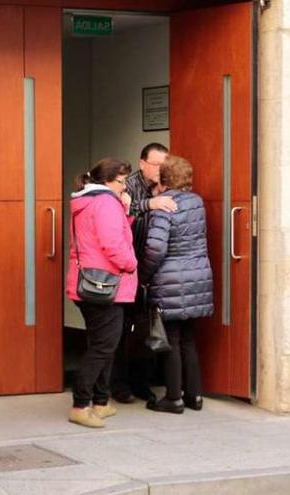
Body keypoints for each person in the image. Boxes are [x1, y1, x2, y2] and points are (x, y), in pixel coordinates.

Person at [65, 158, 138, 428]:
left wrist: (126, 211)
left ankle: (101, 401)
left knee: (102, 344)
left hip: (90, 283)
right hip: (104, 285)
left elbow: (106, 233)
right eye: (121, 181)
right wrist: (131, 264)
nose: (124, 186)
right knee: (103, 346)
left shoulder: (91, 200)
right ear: (108, 181)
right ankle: (81, 404)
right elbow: (112, 243)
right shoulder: (106, 202)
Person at [140, 156, 213, 414]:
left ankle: (173, 397)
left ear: (164, 178)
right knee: (189, 339)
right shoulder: (197, 203)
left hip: (170, 279)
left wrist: (143, 275)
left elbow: (156, 247)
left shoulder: (165, 206)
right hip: (197, 277)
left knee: (170, 339)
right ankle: (194, 395)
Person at [111, 142, 177, 404]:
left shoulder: (165, 186)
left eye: (165, 164)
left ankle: (144, 383)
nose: (161, 170)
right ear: (142, 163)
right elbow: (124, 210)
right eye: (156, 164)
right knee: (123, 329)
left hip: (153, 271)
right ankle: (120, 385)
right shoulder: (128, 186)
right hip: (128, 267)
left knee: (147, 329)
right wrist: (151, 203)